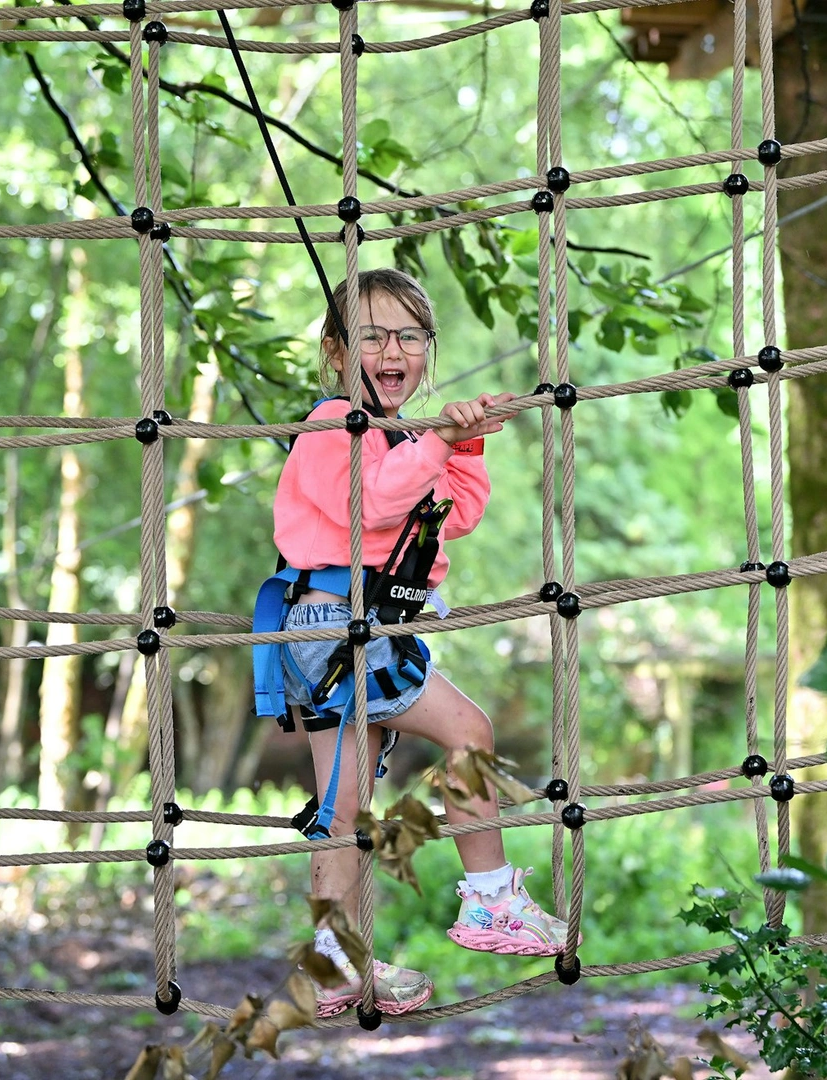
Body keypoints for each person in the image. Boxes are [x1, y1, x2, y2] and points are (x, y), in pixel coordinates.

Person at [257, 268, 570, 1019]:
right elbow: (376, 500)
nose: (392, 350)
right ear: (336, 351)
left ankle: (333, 966)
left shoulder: (398, 441)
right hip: (339, 628)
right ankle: (492, 901)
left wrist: (460, 448)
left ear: (428, 349)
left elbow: (451, 516)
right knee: (469, 731)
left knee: (346, 809)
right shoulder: (333, 424)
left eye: (409, 336)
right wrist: (435, 439)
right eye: (371, 335)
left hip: (342, 632)